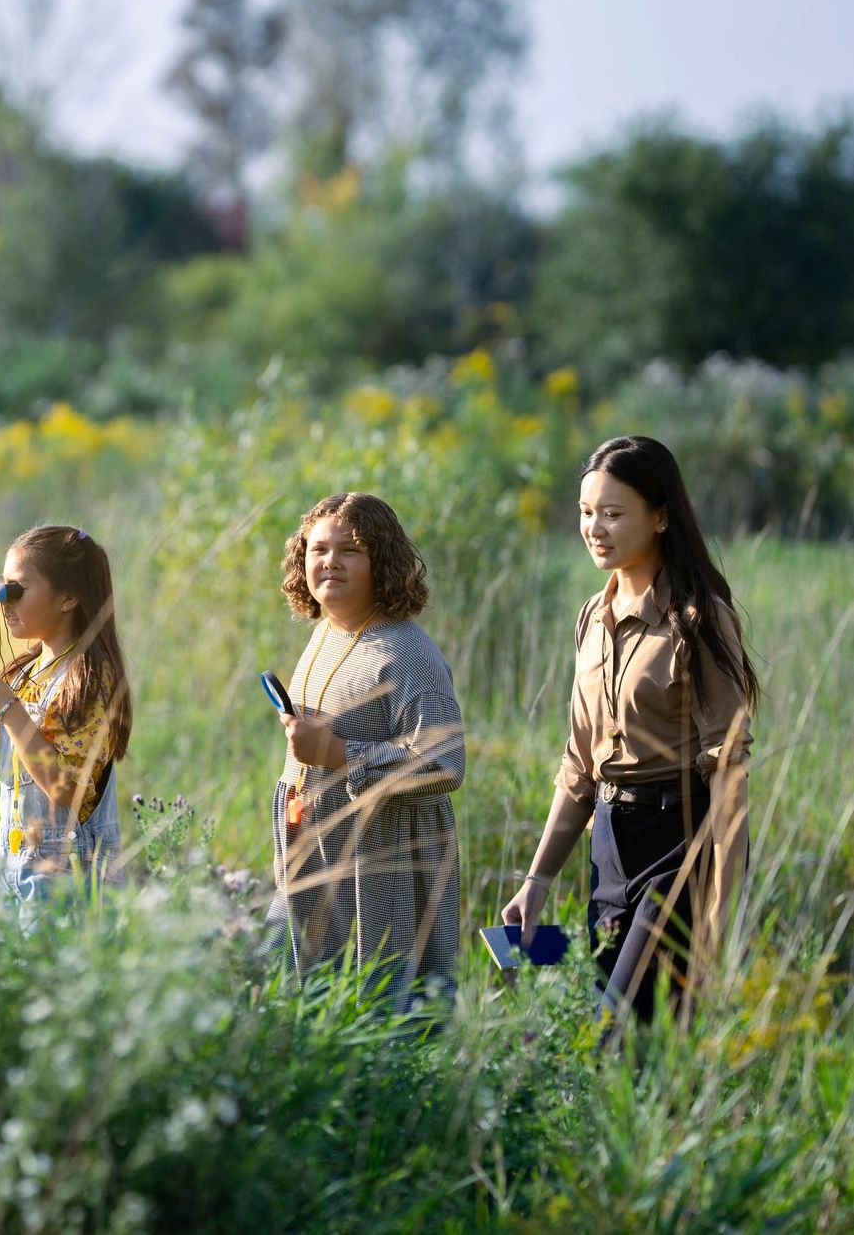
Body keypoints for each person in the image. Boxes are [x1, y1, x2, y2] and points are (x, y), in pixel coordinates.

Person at [503, 436, 757, 1024]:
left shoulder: (700, 618)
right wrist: (537, 881)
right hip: (610, 845)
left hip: (680, 844)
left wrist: (721, 910)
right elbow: (578, 767)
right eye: (587, 512)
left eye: (614, 513)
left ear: (661, 516)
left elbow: (729, 771)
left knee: (623, 1029)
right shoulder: (592, 617)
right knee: (600, 1022)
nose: (596, 528)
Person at [270, 492, 465, 1017]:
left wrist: (340, 754)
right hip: (316, 868)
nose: (329, 561)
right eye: (316, 549)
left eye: (349, 549)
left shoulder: (406, 652)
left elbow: (446, 761)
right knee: (296, 1003)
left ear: (383, 561)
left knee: (386, 1016)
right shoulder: (326, 635)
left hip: (383, 875)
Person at [0, 525, 132, 908]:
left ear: (66, 598)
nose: (7, 602)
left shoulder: (90, 680)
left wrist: (7, 706)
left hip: (69, 878)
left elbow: (66, 789)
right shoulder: (24, 674)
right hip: (13, 868)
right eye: (4, 588)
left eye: (18, 590)